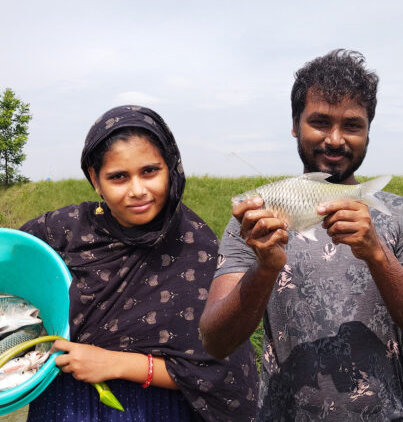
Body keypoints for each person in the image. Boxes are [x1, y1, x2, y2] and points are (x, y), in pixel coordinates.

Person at [199, 50, 403, 421]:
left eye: (352, 126)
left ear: (368, 131)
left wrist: (377, 254)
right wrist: (265, 268)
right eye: (320, 122)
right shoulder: (254, 220)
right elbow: (215, 342)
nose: (335, 139)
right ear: (296, 125)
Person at [21, 105, 258, 422]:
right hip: (66, 406)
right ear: (95, 179)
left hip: (155, 409)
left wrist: (116, 363)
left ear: (170, 168)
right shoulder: (64, 230)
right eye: (118, 177)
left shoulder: (193, 246)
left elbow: (219, 373)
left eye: (149, 171)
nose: (137, 190)